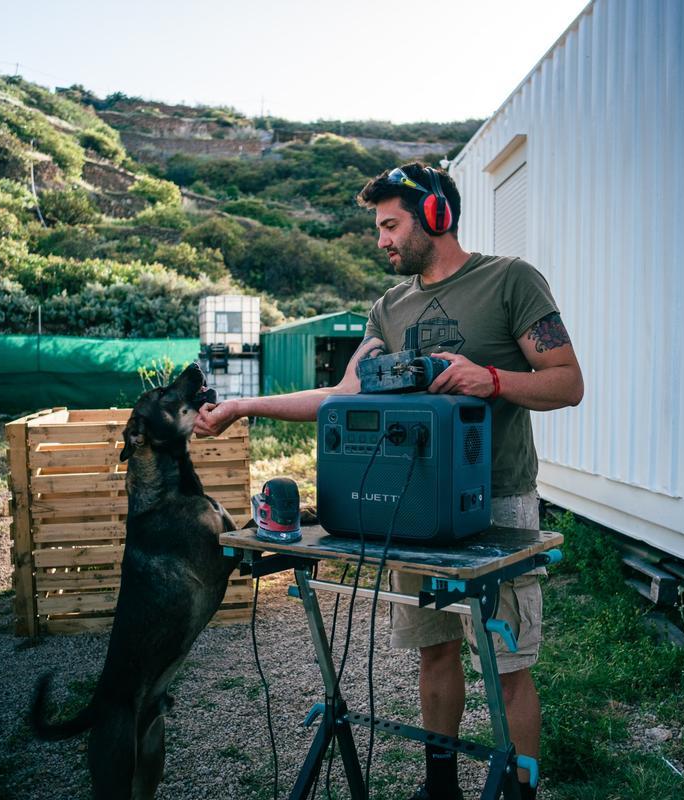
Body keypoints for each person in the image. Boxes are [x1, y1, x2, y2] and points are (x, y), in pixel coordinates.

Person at [196, 162, 584, 800]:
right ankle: (440, 789)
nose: (381, 240)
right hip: (410, 506)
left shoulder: (510, 281)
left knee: (506, 667)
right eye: (379, 227)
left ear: (436, 215)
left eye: (390, 225)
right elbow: (343, 397)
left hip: (499, 506)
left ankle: (519, 793)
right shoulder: (388, 307)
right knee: (434, 651)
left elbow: (567, 381)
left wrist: (489, 380)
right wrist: (243, 407)